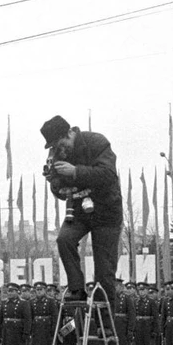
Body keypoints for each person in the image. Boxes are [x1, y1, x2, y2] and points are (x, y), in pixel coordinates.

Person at [41, 115, 122, 302]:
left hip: (106, 211)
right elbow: (61, 192)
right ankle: (76, 288)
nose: (59, 149)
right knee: (64, 240)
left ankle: (106, 325)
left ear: (70, 132)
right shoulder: (57, 154)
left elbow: (108, 174)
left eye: (60, 143)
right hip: (78, 209)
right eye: (54, 146)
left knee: (104, 270)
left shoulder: (97, 142)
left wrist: (75, 171)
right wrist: (55, 182)